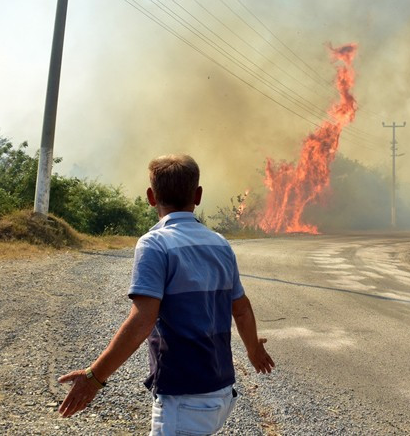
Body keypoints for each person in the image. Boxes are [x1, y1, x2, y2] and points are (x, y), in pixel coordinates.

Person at [58, 154, 274, 435]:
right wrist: (253, 349)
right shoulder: (220, 243)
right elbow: (241, 309)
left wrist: (94, 377)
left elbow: (142, 321)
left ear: (151, 196)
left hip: (184, 396)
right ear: (197, 195)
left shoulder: (154, 244)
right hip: (221, 390)